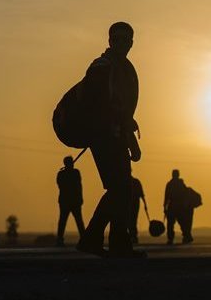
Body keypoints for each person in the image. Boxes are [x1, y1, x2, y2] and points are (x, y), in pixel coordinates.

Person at [76, 22, 144, 258]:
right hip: (104, 137)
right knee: (120, 188)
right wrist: (119, 123)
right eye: (117, 39)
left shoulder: (124, 69)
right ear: (110, 41)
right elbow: (99, 105)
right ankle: (99, 240)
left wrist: (130, 137)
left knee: (122, 190)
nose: (121, 43)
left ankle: (112, 243)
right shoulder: (101, 67)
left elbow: (123, 110)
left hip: (117, 136)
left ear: (131, 43)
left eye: (126, 39)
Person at [55, 155, 84, 246]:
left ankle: (84, 239)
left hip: (72, 200)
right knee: (64, 220)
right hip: (67, 201)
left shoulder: (73, 173)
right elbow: (62, 186)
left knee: (78, 220)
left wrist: (80, 198)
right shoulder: (64, 174)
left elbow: (79, 187)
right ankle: (60, 239)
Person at [164, 169, 193, 244]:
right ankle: (173, 238)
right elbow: (166, 196)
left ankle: (185, 236)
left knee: (180, 223)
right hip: (176, 206)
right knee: (172, 224)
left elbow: (167, 197)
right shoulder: (174, 184)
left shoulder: (175, 184)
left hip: (178, 206)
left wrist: (165, 207)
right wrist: (165, 207)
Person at [128, 175, 145, 244]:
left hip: (134, 203)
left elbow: (141, 194)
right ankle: (132, 236)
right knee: (130, 220)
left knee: (133, 220)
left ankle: (133, 236)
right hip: (128, 203)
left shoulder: (135, 182)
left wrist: (145, 204)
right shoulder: (135, 181)